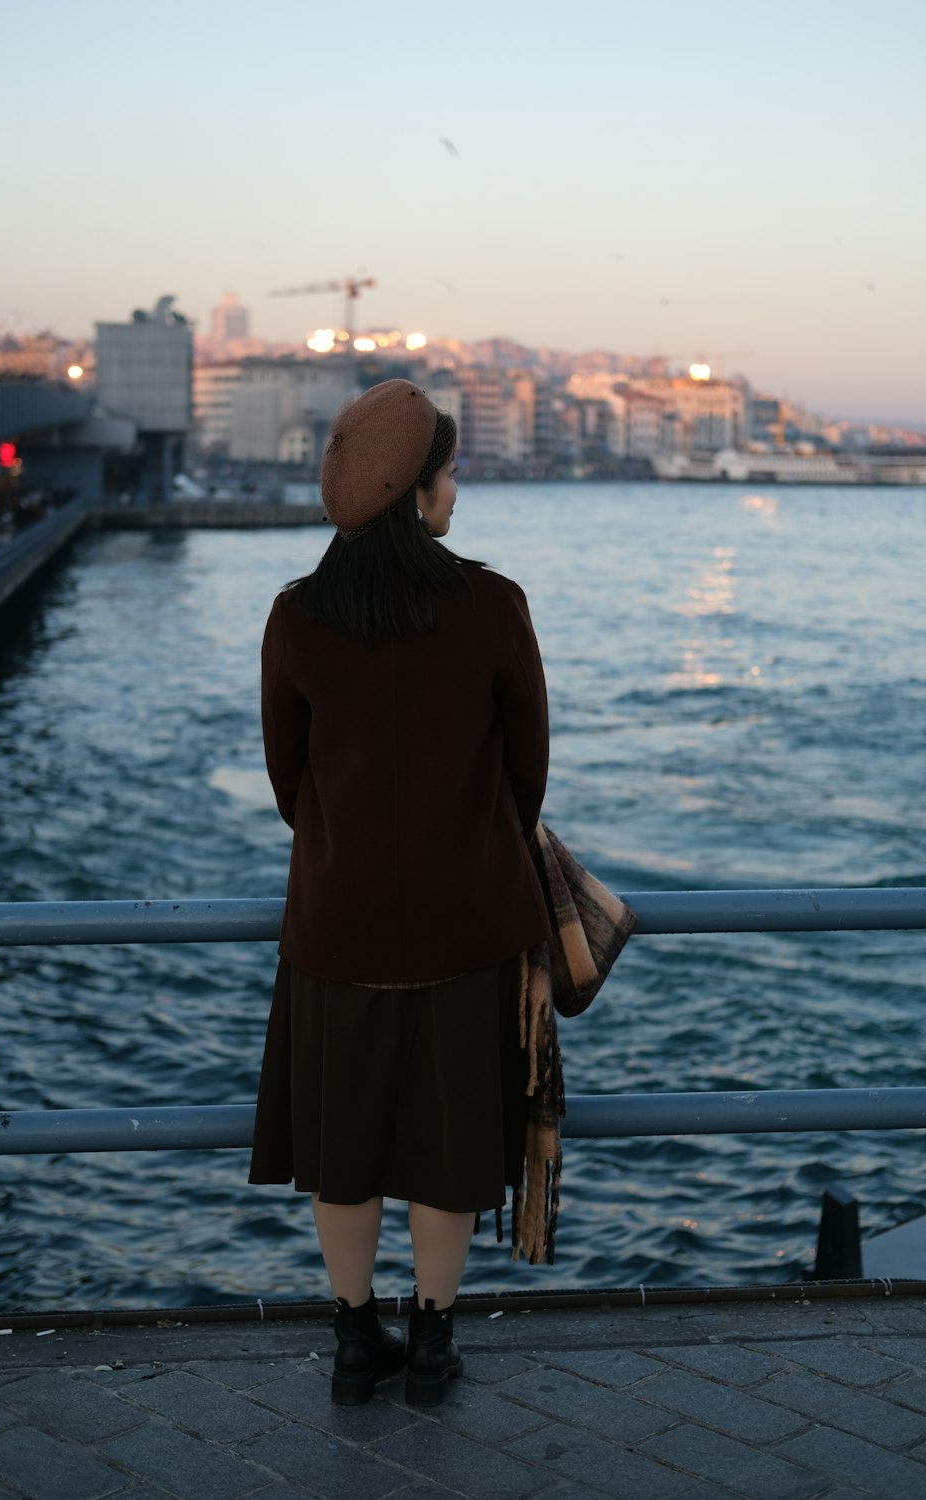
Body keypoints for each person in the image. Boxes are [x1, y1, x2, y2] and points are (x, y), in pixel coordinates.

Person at [249, 378, 551, 1407]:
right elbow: (526, 774)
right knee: (450, 1138)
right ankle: (430, 1342)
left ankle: (350, 1340)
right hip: (468, 921)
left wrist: (344, 848)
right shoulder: (492, 606)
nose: (456, 491)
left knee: (346, 1146)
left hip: (336, 925)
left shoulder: (296, 619)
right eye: (450, 473)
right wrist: (467, 845)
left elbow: (290, 780)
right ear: (414, 493)